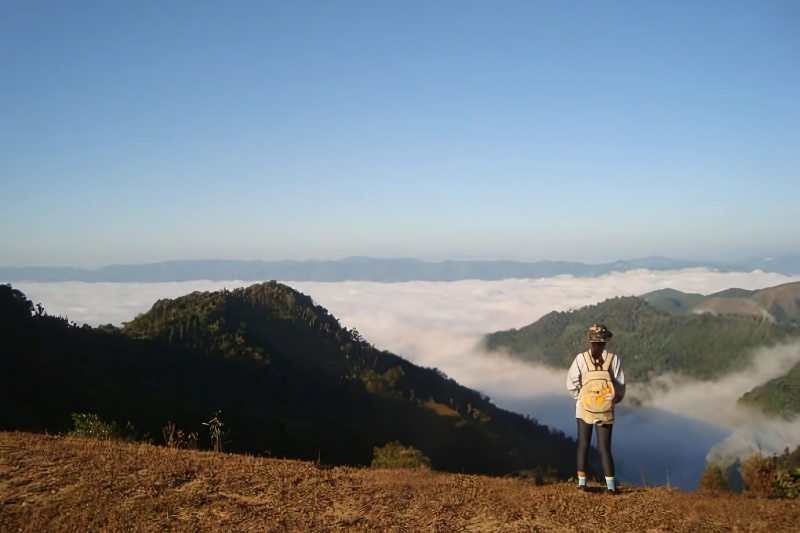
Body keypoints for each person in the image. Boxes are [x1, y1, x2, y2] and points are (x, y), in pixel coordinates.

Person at [566, 324, 626, 495]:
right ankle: (611, 487)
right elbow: (620, 387)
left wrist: (581, 397)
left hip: (584, 409)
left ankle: (582, 484)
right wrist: (612, 400)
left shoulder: (580, 359)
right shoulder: (614, 360)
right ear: (606, 340)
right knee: (604, 448)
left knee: (583, 445)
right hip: (605, 409)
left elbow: (571, 384)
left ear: (590, 339)